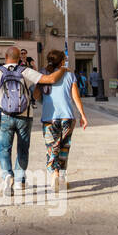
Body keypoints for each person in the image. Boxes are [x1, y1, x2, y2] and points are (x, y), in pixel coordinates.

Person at [0, 45, 69, 197]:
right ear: (19, 59)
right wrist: (63, 69)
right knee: (23, 149)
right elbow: (49, 79)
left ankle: (7, 176)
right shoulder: (25, 71)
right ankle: (19, 181)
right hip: (25, 116)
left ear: (6, 57)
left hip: (4, 116)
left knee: (4, 149)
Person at [34, 48, 88, 193]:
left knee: (52, 148)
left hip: (49, 117)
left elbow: (36, 95)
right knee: (64, 148)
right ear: (62, 60)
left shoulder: (43, 74)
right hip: (67, 117)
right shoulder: (70, 75)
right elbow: (76, 97)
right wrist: (82, 115)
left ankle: (55, 175)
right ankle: (62, 178)